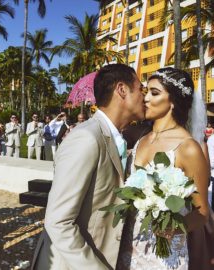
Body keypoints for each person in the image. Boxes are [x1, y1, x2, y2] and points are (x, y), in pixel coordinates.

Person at [31, 63, 145, 270]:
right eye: (141, 89)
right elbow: (58, 222)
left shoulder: (116, 137)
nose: (144, 97)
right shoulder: (86, 137)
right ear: (122, 90)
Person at [117, 67, 209, 270]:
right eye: (146, 91)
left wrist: (174, 227)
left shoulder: (188, 148)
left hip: (164, 256)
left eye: (154, 93)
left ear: (173, 100)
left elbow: (202, 212)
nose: (145, 98)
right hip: (128, 248)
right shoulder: (141, 140)